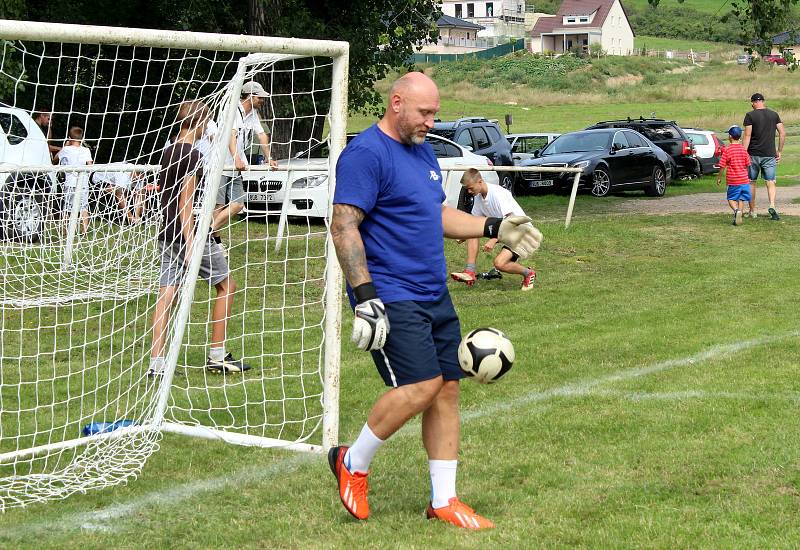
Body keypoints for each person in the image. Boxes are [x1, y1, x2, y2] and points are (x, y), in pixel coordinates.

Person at [328, 72, 542, 529]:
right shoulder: (366, 153)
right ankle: (354, 460)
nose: (431, 121)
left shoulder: (422, 151)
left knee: (447, 389)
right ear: (397, 103)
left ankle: (443, 499)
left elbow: (434, 212)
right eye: (424, 113)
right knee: (422, 386)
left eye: (434, 113)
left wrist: (493, 228)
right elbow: (344, 225)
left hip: (433, 290)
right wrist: (365, 297)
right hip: (392, 292)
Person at [148, 100, 252, 377]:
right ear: (198, 123)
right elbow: (185, 202)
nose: (209, 129)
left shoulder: (168, 151)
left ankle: (156, 363)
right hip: (188, 233)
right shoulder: (192, 155)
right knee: (227, 285)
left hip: (165, 232)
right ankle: (217, 355)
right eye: (207, 123)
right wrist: (192, 240)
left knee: (166, 294)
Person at [210, 81, 277, 245]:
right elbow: (230, 135)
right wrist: (236, 158)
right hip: (221, 164)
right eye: (260, 98)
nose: (263, 101)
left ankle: (206, 234)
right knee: (218, 205)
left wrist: (269, 158)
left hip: (236, 166)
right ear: (251, 96)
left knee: (238, 204)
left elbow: (261, 135)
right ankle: (214, 242)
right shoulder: (232, 110)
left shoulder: (253, 114)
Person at [450, 168, 537, 291]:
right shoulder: (479, 198)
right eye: (467, 189)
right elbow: (474, 223)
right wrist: (463, 235)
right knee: (472, 233)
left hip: (521, 232)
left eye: (470, 188)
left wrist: (494, 239)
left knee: (499, 264)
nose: (469, 192)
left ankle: (528, 273)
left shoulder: (498, 193)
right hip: (506, 232)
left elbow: (511, 221)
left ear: (480, 182)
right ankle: (470, 272)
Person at [742, 92, 786, 220]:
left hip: (753, 154)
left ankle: (752, 210)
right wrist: (779, 151)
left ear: (753, 103)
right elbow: (782, 133)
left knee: (751, 182)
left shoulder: (750, 115)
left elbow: (747, 136)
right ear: (763, 101)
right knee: (770, 181)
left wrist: (744, 153)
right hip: (769, 154)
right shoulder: (774, 115)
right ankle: (772, 205)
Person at [56, 126, 93, 235]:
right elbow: (90, 165)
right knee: (84, 206)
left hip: (70, 182)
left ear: (70, 138)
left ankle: (64, 230)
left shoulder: (66, 149)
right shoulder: (86, 150)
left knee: (67, 207)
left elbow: (55, 159)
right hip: (83, 182)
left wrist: (65, 146)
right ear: (82, 139)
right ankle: (84, 230)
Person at [716, 125, 751, 226]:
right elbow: (748, 164)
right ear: (739, 137)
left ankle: (736, 211)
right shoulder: (744, 150)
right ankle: (738, 216)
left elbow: (722, 165)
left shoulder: (727, 150)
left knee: (731, 198)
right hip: (744, 179)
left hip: (733, 180)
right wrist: (746, 176)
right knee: (741, 198)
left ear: (730, 136)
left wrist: (719, 178)